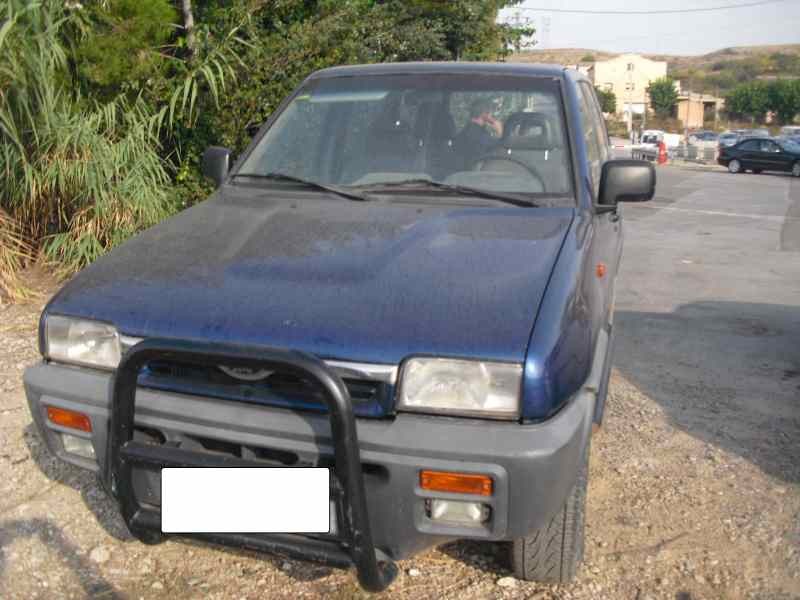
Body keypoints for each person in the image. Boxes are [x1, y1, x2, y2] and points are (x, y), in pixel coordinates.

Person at [454, 98, 503, 170]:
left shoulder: (469, 130)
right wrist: (500, 130)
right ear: (484, 114)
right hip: (473, 174)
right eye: (490, 113)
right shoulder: (477, 133)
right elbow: (499, 149)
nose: (491, 115)